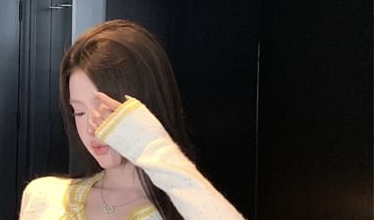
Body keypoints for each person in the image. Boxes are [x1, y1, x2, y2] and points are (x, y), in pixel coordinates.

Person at [19, 19, 245, 220]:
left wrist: (151, 145)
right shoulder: (44, 197)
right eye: (79, 112)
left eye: (106, 111)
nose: (91, 129)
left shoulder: (184, 211)